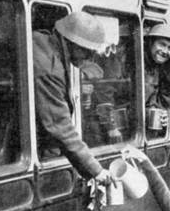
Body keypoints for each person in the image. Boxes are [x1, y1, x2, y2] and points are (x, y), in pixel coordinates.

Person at [33, 11, 111, 183]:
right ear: (69, 42)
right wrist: (96, 171)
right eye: (86, 51)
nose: (90, 57)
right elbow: (59, 126)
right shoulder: (49, 68)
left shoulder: (43, 42)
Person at [143, 23, 170, 135]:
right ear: (151, 43)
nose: (165, 51)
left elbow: (154, 101)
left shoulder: (160, 68)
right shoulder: (136, 63)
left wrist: (161, 113)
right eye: (162, 44)